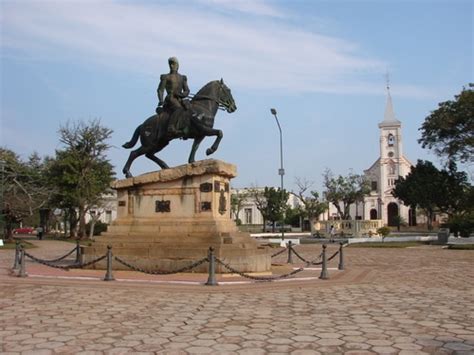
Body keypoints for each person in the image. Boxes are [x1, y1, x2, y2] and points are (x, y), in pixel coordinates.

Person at [156, 57, 191, 138]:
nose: (172, 66)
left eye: (173, 64)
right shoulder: (166, 77)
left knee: (190, 109)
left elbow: (187, 90)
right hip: (170, 98)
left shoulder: (182, 77)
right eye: (170, 64)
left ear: (177, 65)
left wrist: (181, 95)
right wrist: (161, 100)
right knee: (178, 108)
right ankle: (171, 126)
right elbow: (160, 90)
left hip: (179, 98)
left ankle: (185, 129)